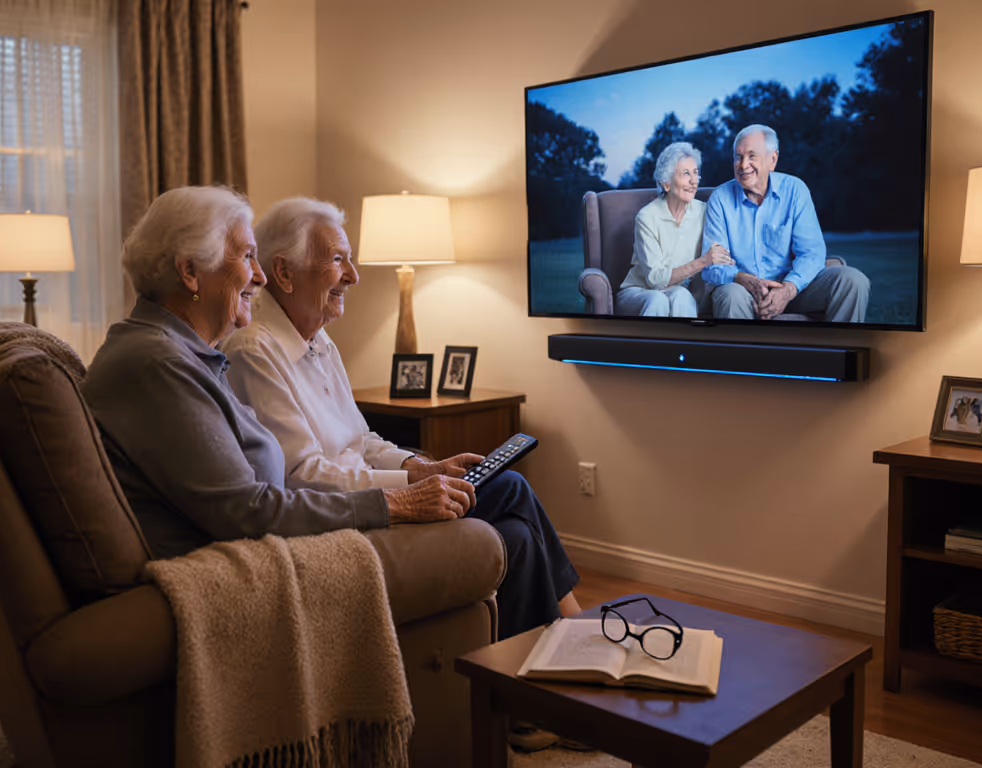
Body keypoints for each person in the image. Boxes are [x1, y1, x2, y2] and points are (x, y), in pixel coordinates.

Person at [221, 197, 581, 641]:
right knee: (509, 487)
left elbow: (361, 439)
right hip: (342, 519)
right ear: (283, 272)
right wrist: (407, 490)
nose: (353, 276)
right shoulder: (254, 351)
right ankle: (574, 632)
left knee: (516, 532)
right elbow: (301, 476)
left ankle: (546, 652)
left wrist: (419, 467)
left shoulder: (319, 342)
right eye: (337, 260)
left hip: (372, 498)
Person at [83, 186, 475, 560]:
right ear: (190, 271)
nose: (260, 276)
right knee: (481, 534)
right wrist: (396, 502)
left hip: (279, 534)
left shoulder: (185, 355)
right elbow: (250, 510)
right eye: (247, 257)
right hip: (231, 559)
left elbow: (341, 448)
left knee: (491, 506)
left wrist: (413, 473)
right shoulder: (161, 364)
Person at [699, 124, 870, 321]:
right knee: (731, 294)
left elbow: (811, 253)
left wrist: (789, 288)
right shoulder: (720, 199)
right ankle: (744, 343)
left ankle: (839, 343)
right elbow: (712, 264)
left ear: (772, 160)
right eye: (738, 157)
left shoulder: (795, 190)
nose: (743, 165)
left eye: (752, 156)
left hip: (794, 288)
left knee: (853, 281)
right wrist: (742, 279)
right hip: (744, 291)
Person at [616, 141, 734, 317]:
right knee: (658, 300)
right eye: (686, 173)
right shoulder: (646, 217)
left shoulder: (704, 212)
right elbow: (656, 281)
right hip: (639, 292)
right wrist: (703, 261)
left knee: (682, 296)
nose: (694, 181)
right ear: (666, 183)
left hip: (677, 291)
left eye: (695, 173)